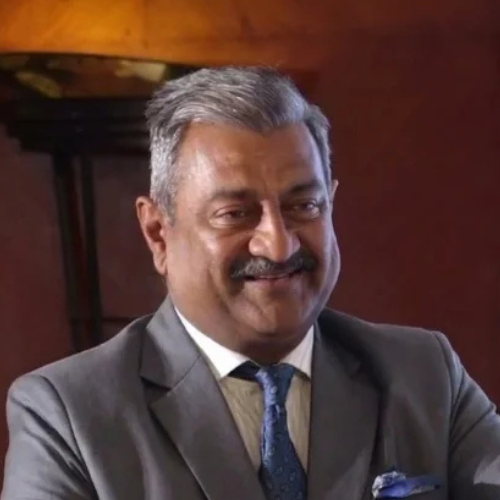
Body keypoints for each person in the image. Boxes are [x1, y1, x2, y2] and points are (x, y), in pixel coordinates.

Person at [2, 67, 500, 500]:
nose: (278, 245)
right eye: (235, 214)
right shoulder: (68, 415)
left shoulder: (425, 375)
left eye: (303, 206)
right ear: (158, 233)